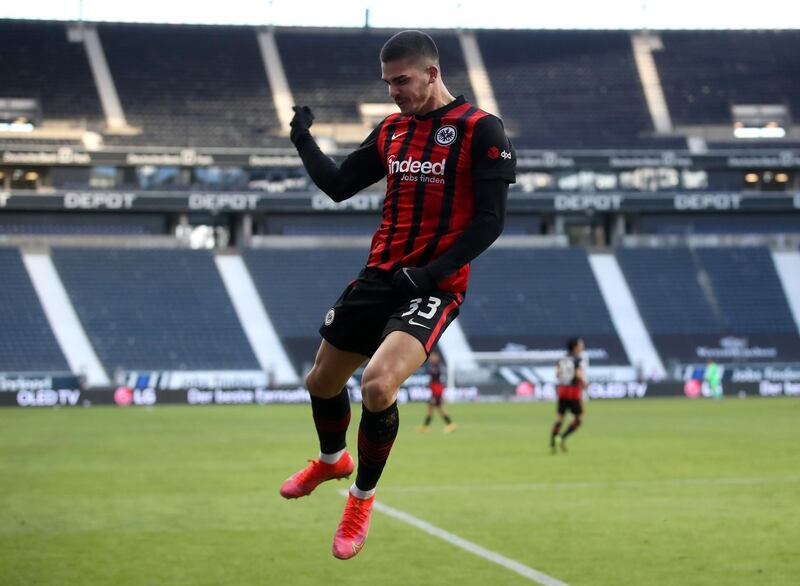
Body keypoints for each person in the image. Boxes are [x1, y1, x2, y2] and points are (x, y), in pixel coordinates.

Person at [278, 30, 515, 560]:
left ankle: (361, 499)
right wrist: (302, 139)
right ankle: (331, 459)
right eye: (387, 82)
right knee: (320, 380)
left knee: (379, 386)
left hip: (434, 284)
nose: (393, 91)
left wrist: (432, 275)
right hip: (379, 275)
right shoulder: (391, 130)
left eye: (401, 80)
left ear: (432, 73)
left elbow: (491, 221)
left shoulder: (481, 129)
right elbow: (339, 185)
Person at [550, 337, 588, 453]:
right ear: (575, 346)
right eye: (581, 344)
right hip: (573, 391)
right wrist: (584, 384)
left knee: (560, 418)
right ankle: (562, 438)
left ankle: (552, 444)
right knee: (579, 418)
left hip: (562, 389)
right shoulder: (578, 359)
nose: (583, 346)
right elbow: (578, 375)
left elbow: (557, 374)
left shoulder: (561, 358)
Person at [418, 349, 456, 432]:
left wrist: (435, 395)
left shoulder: (437, 367)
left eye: (433, 357)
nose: (431, 358)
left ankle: (450, 425)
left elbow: (435, 378)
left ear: (437, 358)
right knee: (432, 409)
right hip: (434, 390)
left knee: (439, 409)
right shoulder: (432, 366)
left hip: (437, 391)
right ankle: (425, 427)